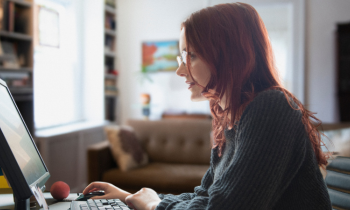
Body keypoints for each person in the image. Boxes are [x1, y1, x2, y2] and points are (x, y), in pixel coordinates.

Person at [83, 2, 332, 210]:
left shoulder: (271, 107)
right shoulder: (230, 119)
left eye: (191, 56)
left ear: (227, 55)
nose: (181, 70)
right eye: (182, 57)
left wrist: (154, 206)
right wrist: (129, 197)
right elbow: (206, 196)